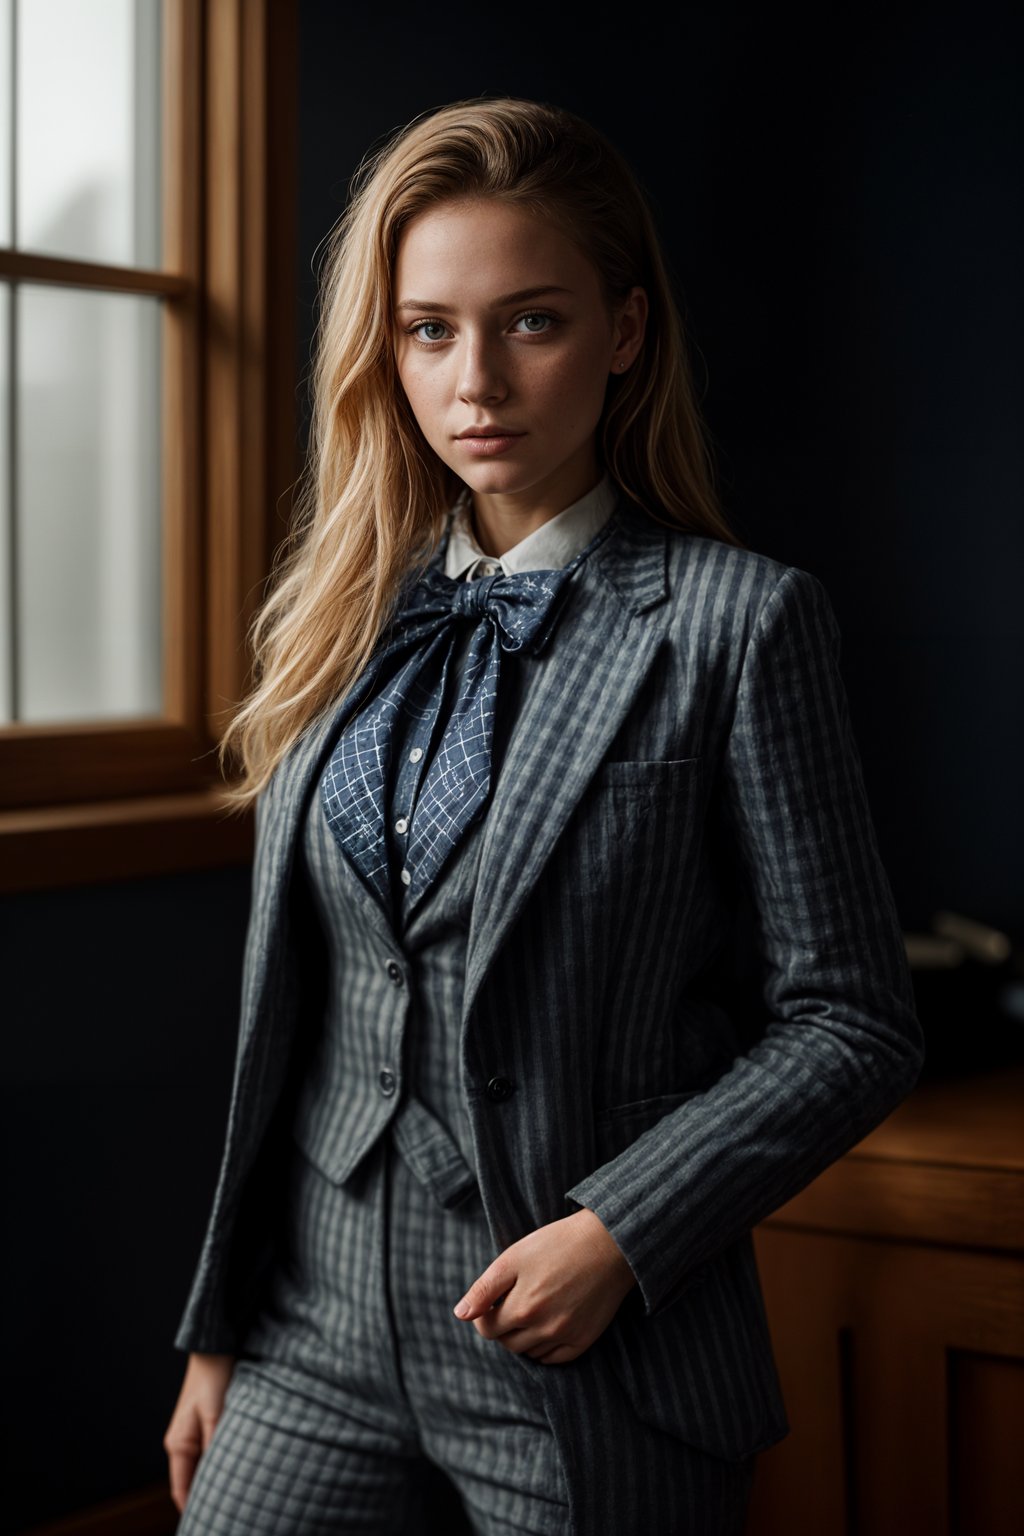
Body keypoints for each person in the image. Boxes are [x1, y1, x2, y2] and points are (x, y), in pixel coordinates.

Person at [163, 96, 924, 1535]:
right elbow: (296, 1025)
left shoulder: (740, 626)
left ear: (625, 331)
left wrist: (624, 1235)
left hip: (588, 1350)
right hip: (311, 1327)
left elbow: (853, 1019)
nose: (477, 383)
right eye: (429, 330)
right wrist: (222, 1325)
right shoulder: (339, 621)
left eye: (533, 322)